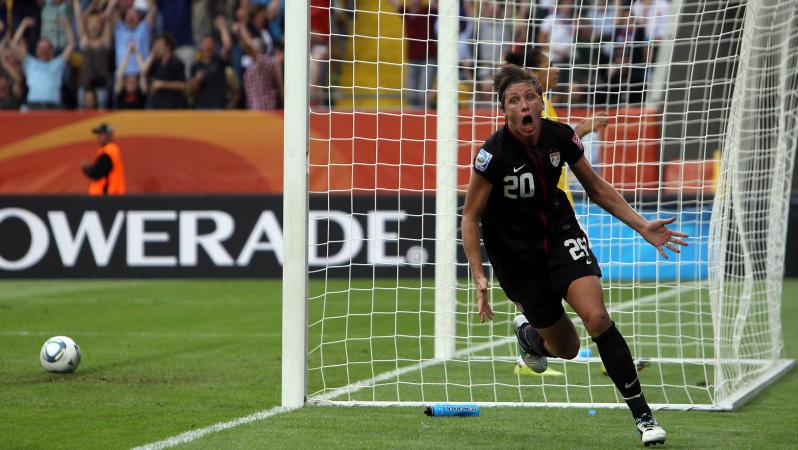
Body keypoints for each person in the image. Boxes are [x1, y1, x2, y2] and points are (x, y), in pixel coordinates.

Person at [461, 64, 687, 446]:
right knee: (567, 349)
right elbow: (470, 215)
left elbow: (596, 188)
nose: (524, 105)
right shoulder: (493, 154)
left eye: (530, 96)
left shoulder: (558, 136)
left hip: (561, 236)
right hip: (516, 258)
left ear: (540, 101)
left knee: (597, 317)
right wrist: (479, 275)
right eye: (514, 101)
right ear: (505, 112)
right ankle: (529, 335)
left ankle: (644, 417)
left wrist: (641, 224)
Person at [505, 47, 608, 202]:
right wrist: (582, 130)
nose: (557, 69)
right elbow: (548, 150)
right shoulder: (532, 108)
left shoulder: (543, 101)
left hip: (557, 198)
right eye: (550, 65)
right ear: (533, 73)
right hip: (547, 203)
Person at [81, 123, 126, 195]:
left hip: (106, 197)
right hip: (110, 197)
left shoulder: (109, 152)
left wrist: (86, 168)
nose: (98, 137)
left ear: (109, 135)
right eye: (98, 135)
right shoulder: (111, 150)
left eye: (101, 134)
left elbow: (96, 173)